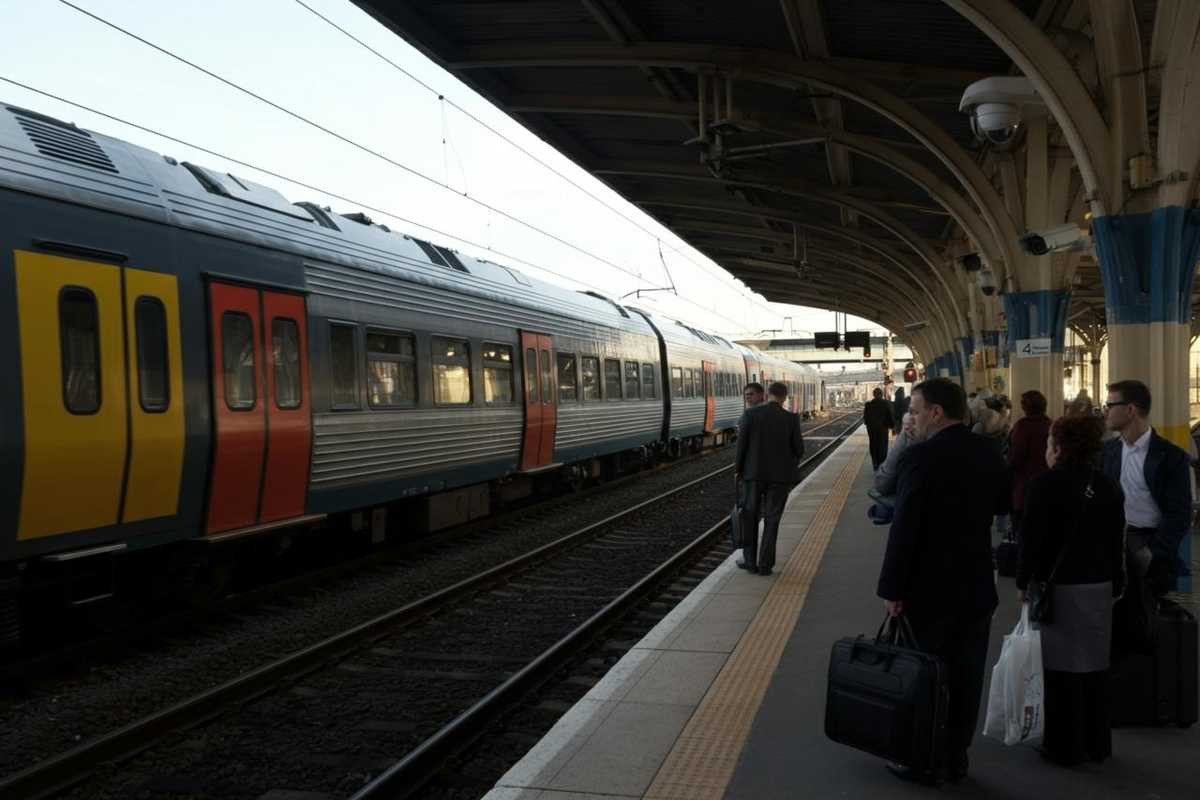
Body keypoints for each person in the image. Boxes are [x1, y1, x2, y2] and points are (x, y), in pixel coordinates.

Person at [877, 378, 1008, 785]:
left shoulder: (921, 459)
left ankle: (922, 756)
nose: (911, 418)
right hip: (974, 585)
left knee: (925, 674)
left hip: (928, 590)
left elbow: (906, 529)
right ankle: (956, 757)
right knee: (967, 676)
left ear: (936, 412)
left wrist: (892, 590)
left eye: (915, 411)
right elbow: (1004, 504)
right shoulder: (988, 451)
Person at [1016, 414, 1124, 766]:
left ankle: (1064, 746)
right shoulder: (1107, 485)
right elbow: (1115, 539)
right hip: (1098, 587)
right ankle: (1097, 743)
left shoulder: (1044, 485)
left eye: (1049, 443)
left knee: (1060, 671)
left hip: (1059, 589)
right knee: (1094, 667)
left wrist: (1024, 581)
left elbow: (1031, 542)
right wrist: (1116, 580)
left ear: (1058, 448)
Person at [1101, 379, 1192, 595]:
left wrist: (1153, 552)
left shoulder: (1171, 457)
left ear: (1130, 409)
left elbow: (1179, 513)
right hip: (1111, 544)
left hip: (1148, 542)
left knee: (1146, 617)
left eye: (1110, 406)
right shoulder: (1107, 452)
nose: (1105, 412)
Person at [735, 381, 804, 576]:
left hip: (753, 475)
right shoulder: (791, 418)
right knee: (772, 520)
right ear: (784, 397)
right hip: (780, 478)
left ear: (767, 394)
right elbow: (799, 450)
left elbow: (741, 447)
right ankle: (765, 565)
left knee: (750, 517)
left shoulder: (750, 415)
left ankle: (750, 561)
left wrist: (738, 469)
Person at [1007, 390, 1051, 540]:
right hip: (1047, 484)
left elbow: (1016, 458)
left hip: (1024, 486)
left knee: (1023, 534)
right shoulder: (1051, 424)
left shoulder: (1023, 426)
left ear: (1025, 407)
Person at [867, 412, 916, 525]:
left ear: (936, 413)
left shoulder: (913, 435)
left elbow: (882, 484)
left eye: (915, 412)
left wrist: (903, 433)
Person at [863, 387, 894, 470]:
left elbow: (865, 419)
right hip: (883, 429)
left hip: (871, 429)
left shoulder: (868, 404)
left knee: (873, 445)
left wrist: (869, 425)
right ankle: (881, 463)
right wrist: (891, 426)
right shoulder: (886, 403)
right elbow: (890, 415)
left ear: (873, 395)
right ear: (881, 394)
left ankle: (875, 462)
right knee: (883, 445)